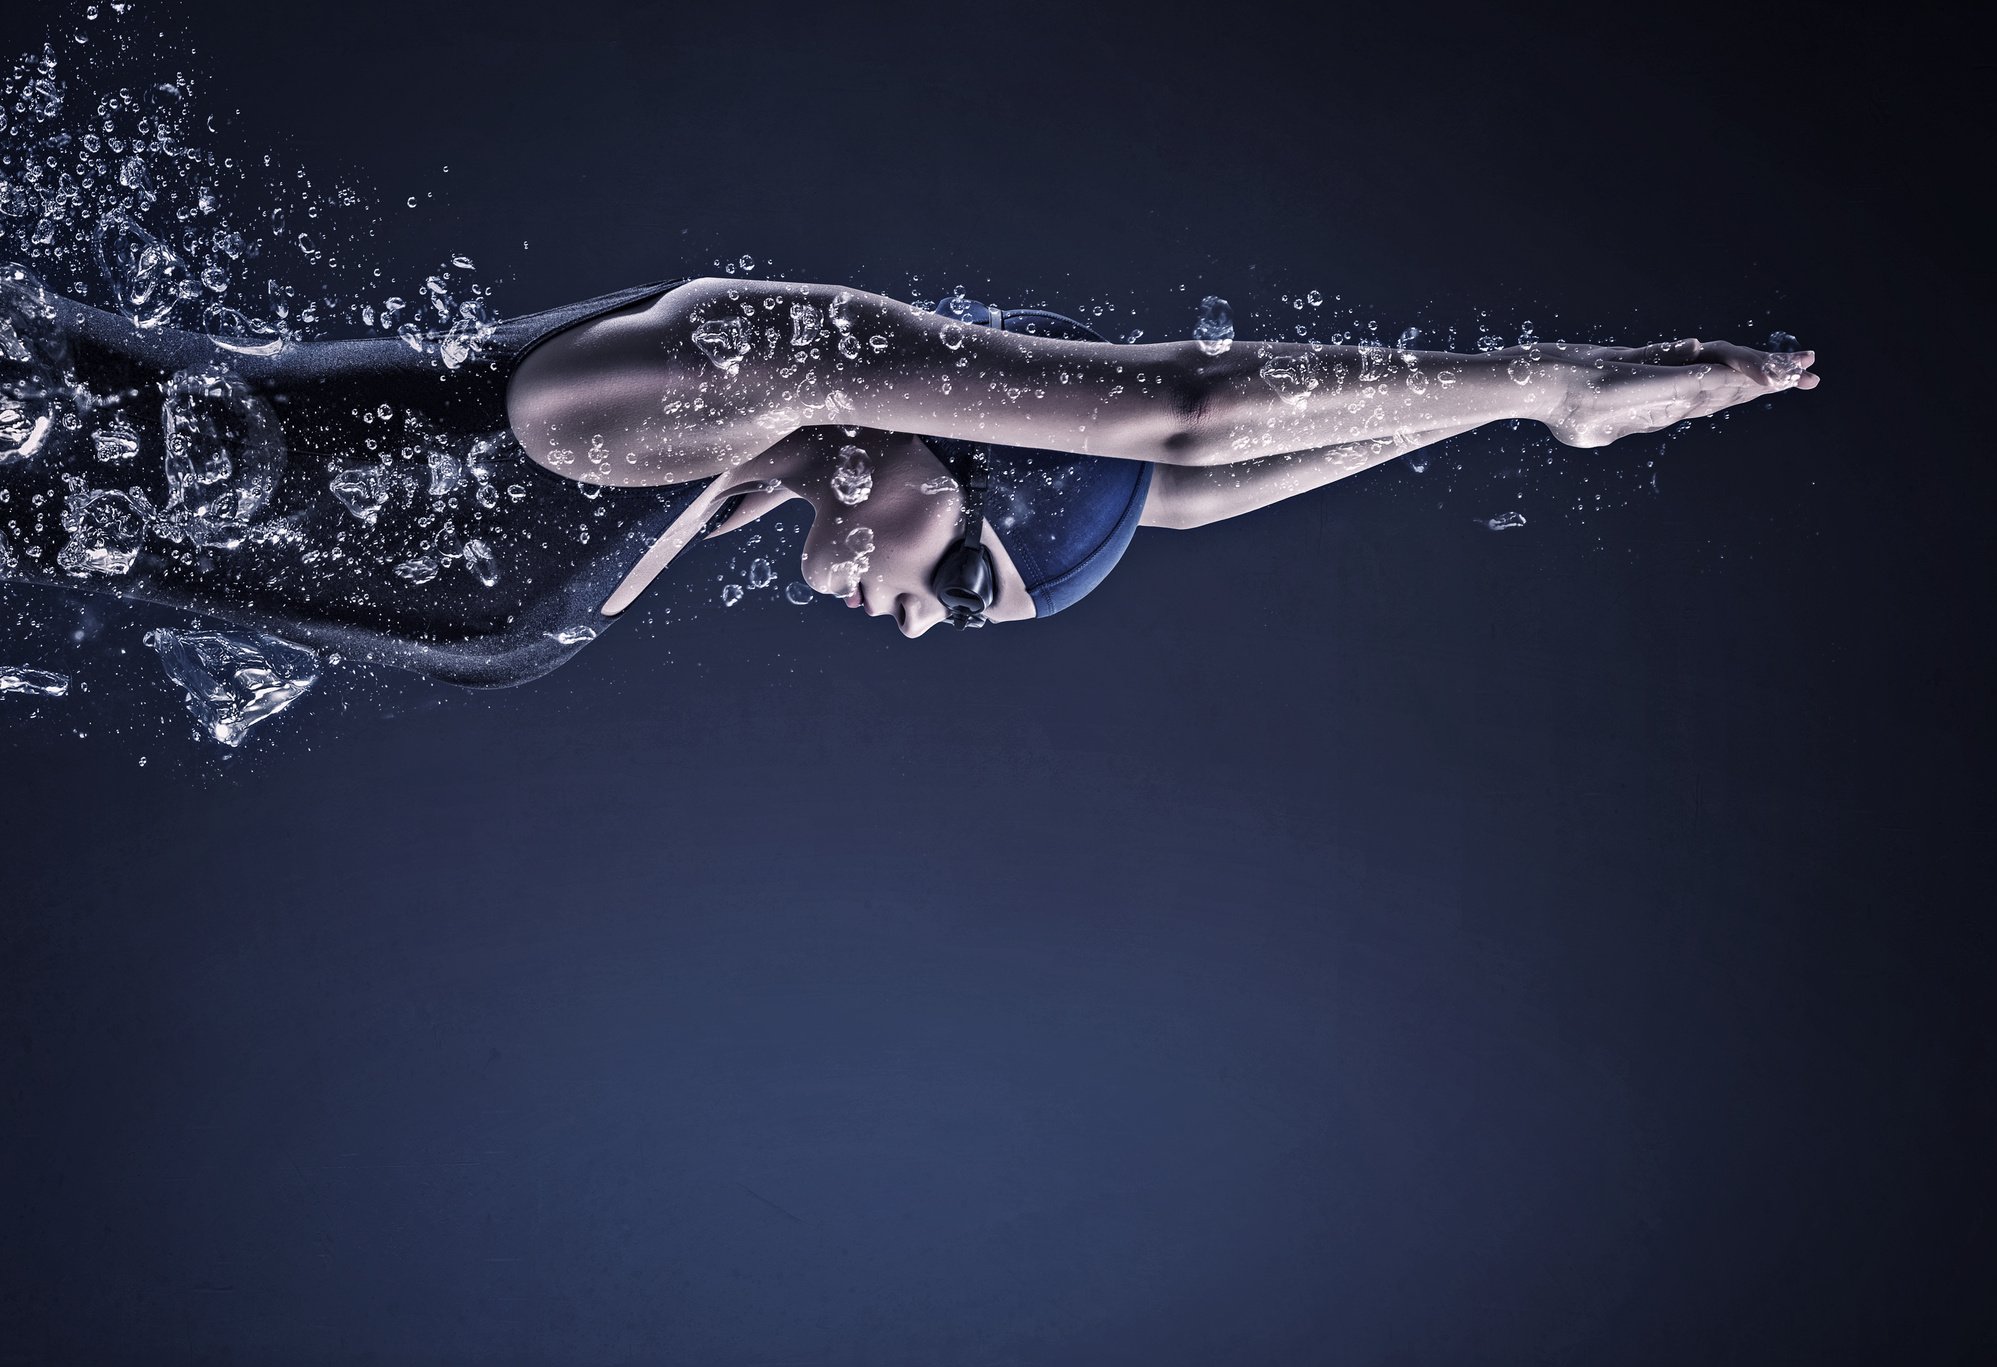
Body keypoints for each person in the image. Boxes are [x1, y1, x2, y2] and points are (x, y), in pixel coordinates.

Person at [1, 267, 1818, 685]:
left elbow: (1181, 490)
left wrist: (1475, 426)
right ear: (944, 459)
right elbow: (1178, 417)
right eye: (963, 578)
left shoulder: (700, 497)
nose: (923, 625)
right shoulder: (710, 386)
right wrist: (1552, 379)